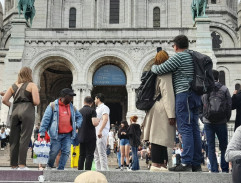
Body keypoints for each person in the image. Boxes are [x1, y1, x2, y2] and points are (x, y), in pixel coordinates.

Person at [151, 35, 202, 172]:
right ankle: (196, 163)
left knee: (185, 128)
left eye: (173, 46)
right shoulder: (192, 56)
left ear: (176, 46)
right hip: (195, 96)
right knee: (194, 128)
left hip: (184, 94)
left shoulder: (179, 57)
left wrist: (153, 66)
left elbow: (159, 69)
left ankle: (186, 162)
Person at [143, 50, 176, 171]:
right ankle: (157, 164)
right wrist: (171, 114)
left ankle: (161, 164)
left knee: (158, 137)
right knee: (159, 138)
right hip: (162, 108)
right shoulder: (165, 73)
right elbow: (167, 94)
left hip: (154, 107)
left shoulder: (154, 72)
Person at [2, 67, 40, 170]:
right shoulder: (32, 85)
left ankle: (13, 165)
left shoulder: (13, 86)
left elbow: (4, 100)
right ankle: (22, 165)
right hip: (27, 111)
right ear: (29, 74)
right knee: (24, 137)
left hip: (15, 111)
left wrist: (13, 105)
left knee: (14, 139)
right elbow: (36, 102)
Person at [39, 88, 82, 170]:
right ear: (64, 96)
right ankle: (49, 165)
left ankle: (60, 168)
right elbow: (46, 119)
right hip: (56, 134)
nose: (72, 98)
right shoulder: (53, 105)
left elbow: (79, 117)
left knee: (66, 152)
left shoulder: (72, 107)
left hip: (68, 135)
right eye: (70, 96)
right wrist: (42, 132)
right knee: (54, 152)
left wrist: (76, 126)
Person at [200, 70, 231, 173]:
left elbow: (200, 105)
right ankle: (225, 169)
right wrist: (226, 118)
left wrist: (203, 118)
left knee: (211, 146)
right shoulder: (224, 89)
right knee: (224, 147)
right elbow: (229, 106)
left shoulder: (205, 89)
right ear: (218, 77)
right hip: (221, 122)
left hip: (208, 122)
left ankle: (214, 170)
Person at [77, 96, 99, 170]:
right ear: (92, 103)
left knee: (81, 155)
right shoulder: (92, 111)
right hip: (90, 136)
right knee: (89, 155)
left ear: (84, 102)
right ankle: (87, 171)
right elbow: (94, 123)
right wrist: (98, 120)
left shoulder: (79, 111)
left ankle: (79, 171)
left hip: (81, 136)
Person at [94, 93, 110, 171]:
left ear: (98, 99)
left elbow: (105, 119)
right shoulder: (97, 109)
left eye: (95, 98)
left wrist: (100, 130)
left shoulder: (104, 107)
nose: (94, 100)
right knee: (96, 154)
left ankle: (104, 171)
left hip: (101, 133)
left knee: (102, 153)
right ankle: (98, 171)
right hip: (96, 133)